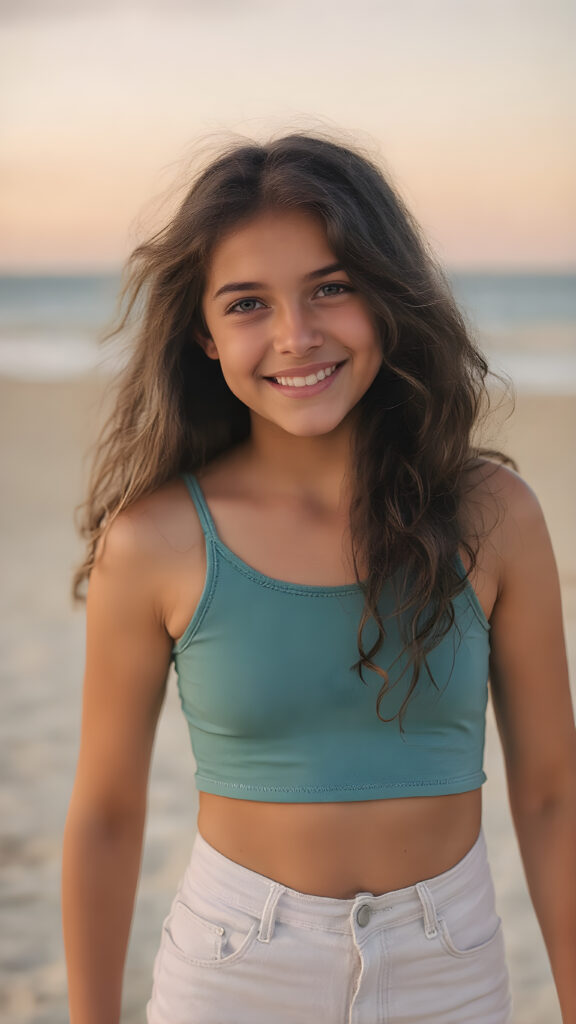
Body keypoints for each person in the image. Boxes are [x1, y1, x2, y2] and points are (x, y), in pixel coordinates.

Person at [61, 131, 576, 1024]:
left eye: (331, 287)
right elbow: (106, 816)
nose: (296, 336)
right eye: (248, 304)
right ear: (206, 336)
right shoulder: (155, 541)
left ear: (388, 296)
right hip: (235, 971)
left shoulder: (495, 515)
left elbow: (553, 796)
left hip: (451, 970)